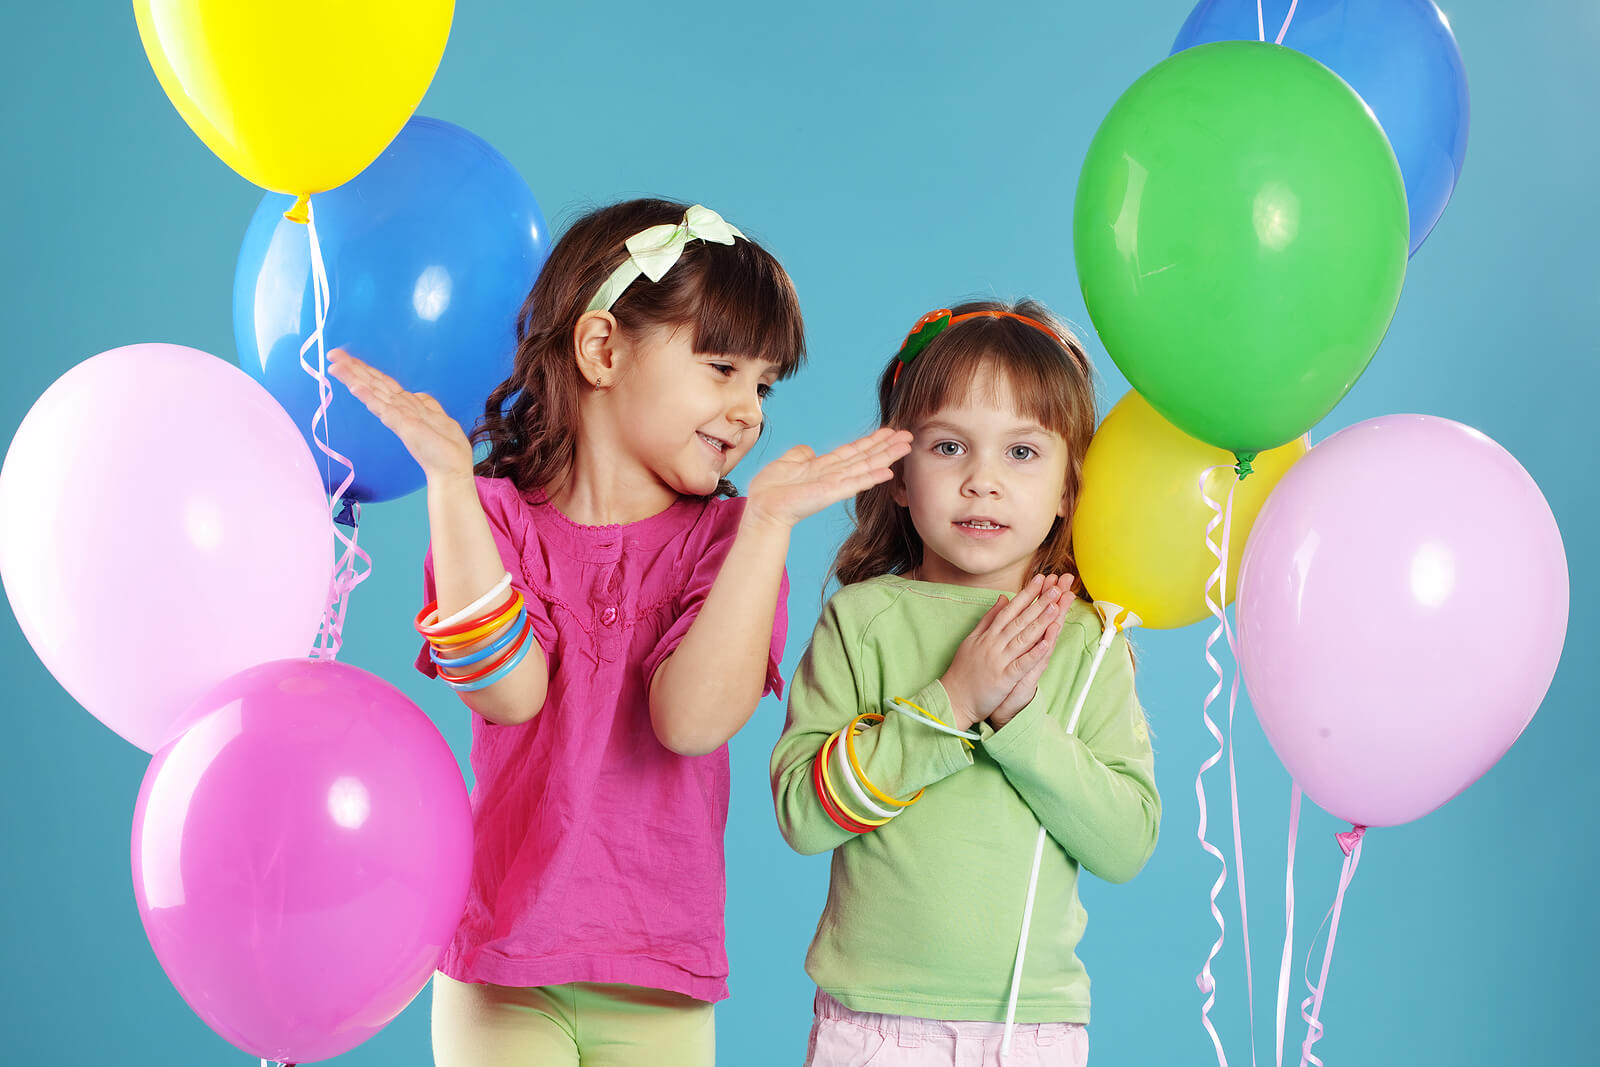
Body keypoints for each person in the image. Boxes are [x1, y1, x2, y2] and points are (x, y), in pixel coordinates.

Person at [329, 199, 911, 1067]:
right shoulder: (492, 520)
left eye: (763, 385)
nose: (748, 410)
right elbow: (507, 688)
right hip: (499, 969)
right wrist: (451, 486)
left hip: (658, 978)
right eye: (720, 367)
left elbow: (691, 719)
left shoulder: (730, 543)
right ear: (603, 350)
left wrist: (766, 526)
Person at [770, 300, 1161, 1066]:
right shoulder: (863, 621)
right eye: (949, 446)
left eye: (1022, 453)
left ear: (1068, 490)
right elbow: (803, 814)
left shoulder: (1087, 639)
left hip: (1033, 1029)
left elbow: (1126, 842)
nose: (982, 481)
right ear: (901, 479)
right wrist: (951, 702)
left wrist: (1019, 725)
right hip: (872, 1025)